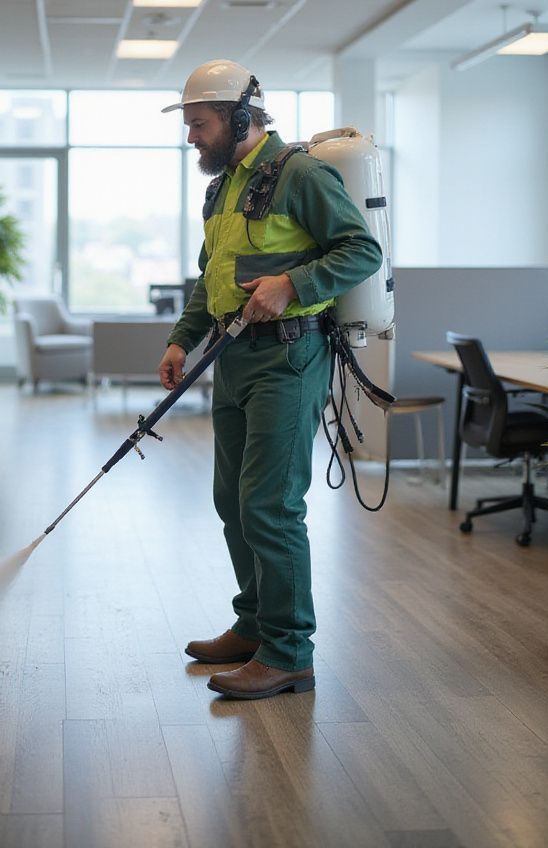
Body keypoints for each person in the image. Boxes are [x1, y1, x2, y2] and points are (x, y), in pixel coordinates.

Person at [158, 60, 382, 700]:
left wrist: (292, 285)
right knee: (231, 500)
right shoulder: (222, 186)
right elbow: (213, 276)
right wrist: (181, 337)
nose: (191, 137)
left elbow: (361, 251)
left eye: (198, 124)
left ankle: (289, 653)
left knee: (270, 505)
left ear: (237, 117)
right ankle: (255, 626)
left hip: (289, 358)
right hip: (231, 359)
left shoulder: (301, 173)